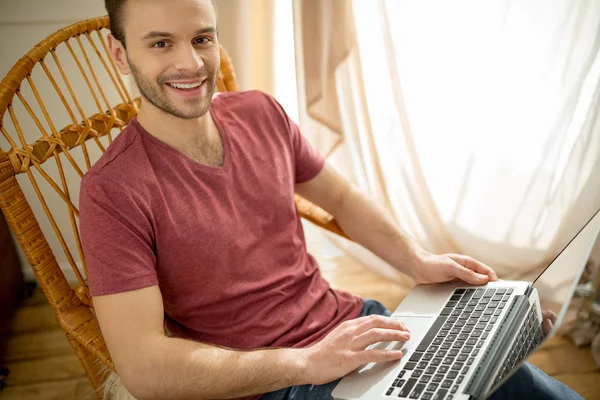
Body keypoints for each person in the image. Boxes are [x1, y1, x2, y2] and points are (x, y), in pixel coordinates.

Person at [79, 0, 583, 399]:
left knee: (522, 382)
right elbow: (143, 368)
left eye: (201, 38)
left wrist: (417, 260)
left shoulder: (260, 113)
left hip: (352, 323)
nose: (190, 63)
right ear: (120, 54)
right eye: (161, 43)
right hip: (273, 383)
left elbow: (339, 194)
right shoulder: (112, 191)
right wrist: (308, 362)